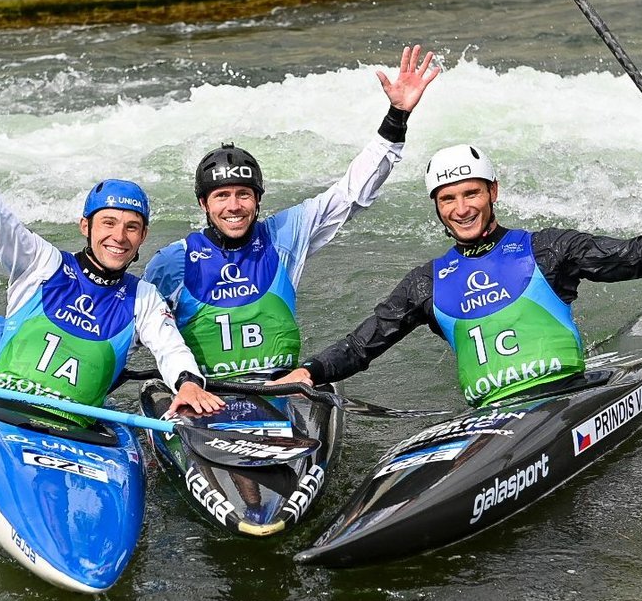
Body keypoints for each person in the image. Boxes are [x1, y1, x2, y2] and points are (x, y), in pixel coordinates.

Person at [274, 143, 642, 405]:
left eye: (471, 194)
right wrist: (309, 372)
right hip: (491, 417)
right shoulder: (425, 282)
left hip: (566, 401)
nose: (461, 209)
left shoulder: (548, 249)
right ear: (435, 206)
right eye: (447, 199)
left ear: (492, 191)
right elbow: (362, 344)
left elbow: (641, 258)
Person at [144, 44, 441, 379]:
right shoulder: (171, 262)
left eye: (244, 194)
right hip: (206, 398)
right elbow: (141, 330)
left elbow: (351, 194)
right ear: (203, 204)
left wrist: (396, 116)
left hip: (280, 390)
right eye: (221, 196)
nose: (233, 206)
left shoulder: (284, 235)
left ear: (258, 200)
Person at [0, 78, 224, 419]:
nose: (119, 236)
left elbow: (170, 347)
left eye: (131, 227)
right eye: (108, 223)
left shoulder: (144, 299)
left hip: (80, 434)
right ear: (85, 227)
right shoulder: (40, 264)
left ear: (143, 236)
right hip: (3, 414)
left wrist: (188, 382)